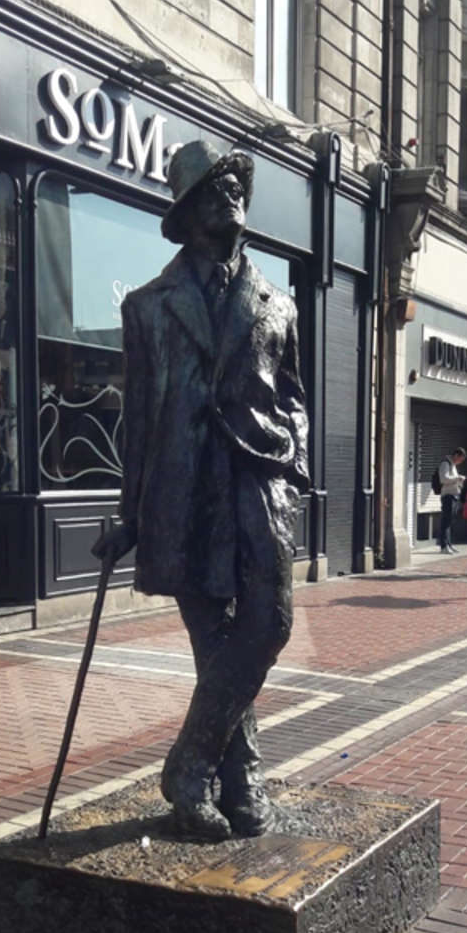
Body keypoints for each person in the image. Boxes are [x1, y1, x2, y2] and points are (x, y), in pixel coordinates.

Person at [92, 140, 310, 842]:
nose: (227, 193)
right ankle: (242, 779)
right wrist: (129, 514)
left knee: (270, 621)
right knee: (213, 641)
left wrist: (295, 461)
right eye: (210, 188)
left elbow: (296, 397)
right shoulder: (150, 307)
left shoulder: (278, 303)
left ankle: (189, 763)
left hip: (258, 482)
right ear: (184, 217)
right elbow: (139, 418)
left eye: (233, 182)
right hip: (184, 492)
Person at [436, 447, 466, 553]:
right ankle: (443, 546)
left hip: (454, 496)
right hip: (448, 496)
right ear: (456, 455)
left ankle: (448, 544)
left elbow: (452, 479)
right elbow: (443, 479)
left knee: (449, 522)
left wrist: (460, 483)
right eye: (460, 459)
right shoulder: (445, 464)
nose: (460, 462)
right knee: (446, 521)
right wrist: (458, 478)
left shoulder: (453, 465)